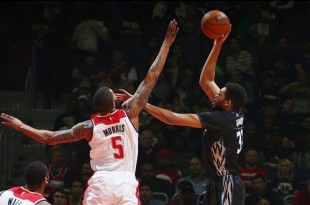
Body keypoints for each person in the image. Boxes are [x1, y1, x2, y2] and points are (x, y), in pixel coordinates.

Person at [0, 19, 179, 205]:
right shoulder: (130, 113)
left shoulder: (88, 126)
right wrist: (166, 43)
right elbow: (152, 76)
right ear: (114, 101)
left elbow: (49, 137)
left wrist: (20, 126)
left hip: (100, 182)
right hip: (125, 182)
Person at [118, 25, 247, 205]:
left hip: (227, 183)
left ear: (228, 103)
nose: (216, 93)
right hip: (218, 182)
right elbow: (206, 80)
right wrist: (217, 45)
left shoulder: (220, 119)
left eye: (220, 93)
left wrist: (141, 102)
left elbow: (171, 118)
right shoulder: (232, 112)